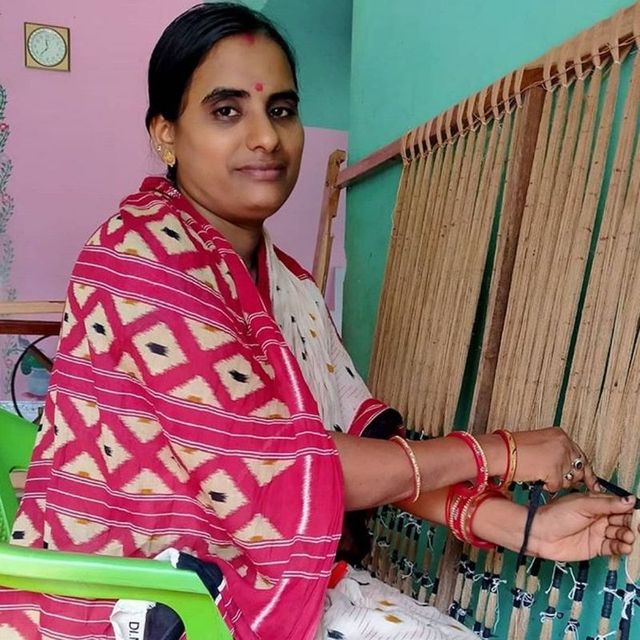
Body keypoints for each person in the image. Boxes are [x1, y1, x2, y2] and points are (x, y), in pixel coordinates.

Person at [0, 4, 636, 639]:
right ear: (165, 133)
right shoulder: (139, 258)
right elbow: (288, 473)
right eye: (227, 111)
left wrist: (525, 529)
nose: (266, 137)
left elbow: (344, 457)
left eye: (281, 109)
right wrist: (503, 451)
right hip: (126, 596)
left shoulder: (288, 287)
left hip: (229, 577)